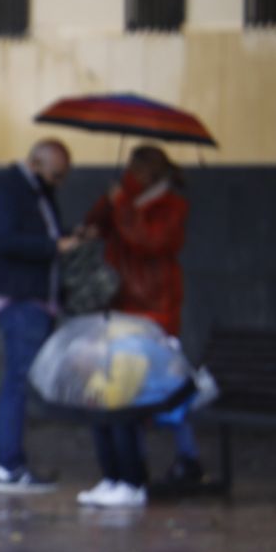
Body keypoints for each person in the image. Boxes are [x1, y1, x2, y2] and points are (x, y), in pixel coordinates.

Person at [76, 144, 193, 507]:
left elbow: (149, 242)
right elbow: (92, 227)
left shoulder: (171, 206)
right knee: (103, 396)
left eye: (135, 170)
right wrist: (109, 200)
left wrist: (123, 204)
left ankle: (132, 478)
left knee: (127, 399)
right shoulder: (126, 198)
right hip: (117, 309)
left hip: (151, 314)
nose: (131, 175)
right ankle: (115, 476)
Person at [0, 138, 81, 494]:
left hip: (35, 299)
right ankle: (8, 465)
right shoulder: (9, 188)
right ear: (37, 164)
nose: (59, 182)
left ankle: (11, 464)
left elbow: (40, 234)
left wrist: (68, 237)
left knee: (20, 382)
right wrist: (55, 246)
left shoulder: (36, 191)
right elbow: (5, 239)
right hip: (21, 300)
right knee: (17, 382)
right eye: (56, 174)